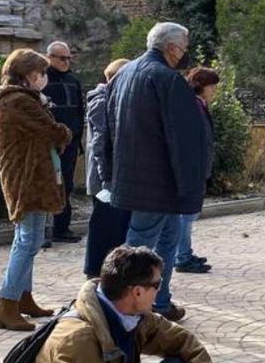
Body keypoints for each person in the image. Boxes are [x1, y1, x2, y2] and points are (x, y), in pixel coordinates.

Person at [12, 246, 222, 363]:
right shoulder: (74, 342)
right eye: (158, 284)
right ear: (137, 291)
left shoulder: (133, 314)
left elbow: (184, 342)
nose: (161, 291)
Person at [104, 22, 210, 323]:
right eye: (184, 48)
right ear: (173, 48)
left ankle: (159, 302)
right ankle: (119, 306)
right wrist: (190, 182)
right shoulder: (167, 79)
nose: (185, 54)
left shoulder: (125, 74)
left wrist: (110, 173)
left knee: (168, 238)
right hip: (158, 181)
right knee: (139, 247)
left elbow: (107, 128)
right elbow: (183, 139)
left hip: (134, 176)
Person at [0, 49, 73, 331]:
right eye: (41, 73)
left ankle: (23, 298)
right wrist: (64, 133)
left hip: (32, 174)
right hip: (26, 177)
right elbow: (50, 130)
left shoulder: (22, 99)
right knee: (29, 240)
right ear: (27, 75)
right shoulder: (16, 101)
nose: (44, 78)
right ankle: (7, 303)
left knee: (27, 239)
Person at [83, 58, 131, 279]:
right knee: (104, 229)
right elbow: (101, 143)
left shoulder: (114, 99)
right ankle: (95, 274)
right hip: (106, 180)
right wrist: (107, 180)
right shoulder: (101, 100)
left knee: (118, 230)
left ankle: (113, 276)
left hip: (116, 177)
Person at [175, 67, 219, 273]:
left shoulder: (198, 105)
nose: (214, 90)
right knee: (186, 214)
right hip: (192, 169)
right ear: (201, 86)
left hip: (197, 168)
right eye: (212, 86)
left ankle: (184, 252)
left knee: (188, 215)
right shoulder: (193, 106)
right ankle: (182, 256)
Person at [42, 41, 85, 245]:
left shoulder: (73, 80)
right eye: (62, 58)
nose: (66, 61)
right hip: (48, 142)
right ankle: (40, 231)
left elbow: (79, 112)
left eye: (68, 58)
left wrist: (76, 141)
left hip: (70, 142)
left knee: (66, 184)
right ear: (50, 57)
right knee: (44, 184)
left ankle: (62, 227)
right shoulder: (42, 79)